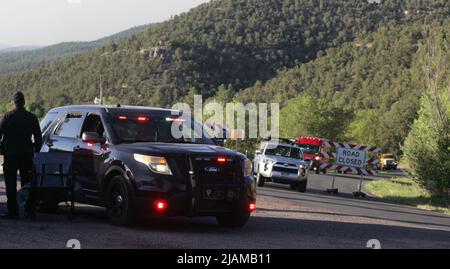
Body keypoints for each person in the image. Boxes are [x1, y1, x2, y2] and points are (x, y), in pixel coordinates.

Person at [0, 92, 42, 220]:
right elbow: (39, 139)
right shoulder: (32, 118)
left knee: (11, 184)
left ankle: (13, 211)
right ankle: (29, 211)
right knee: (27, 183)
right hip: (26, 155)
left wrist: (2, 149)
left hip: (10, 155)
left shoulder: (7, 117)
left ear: (14, 102)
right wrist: (34, 150)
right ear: (24, 102)